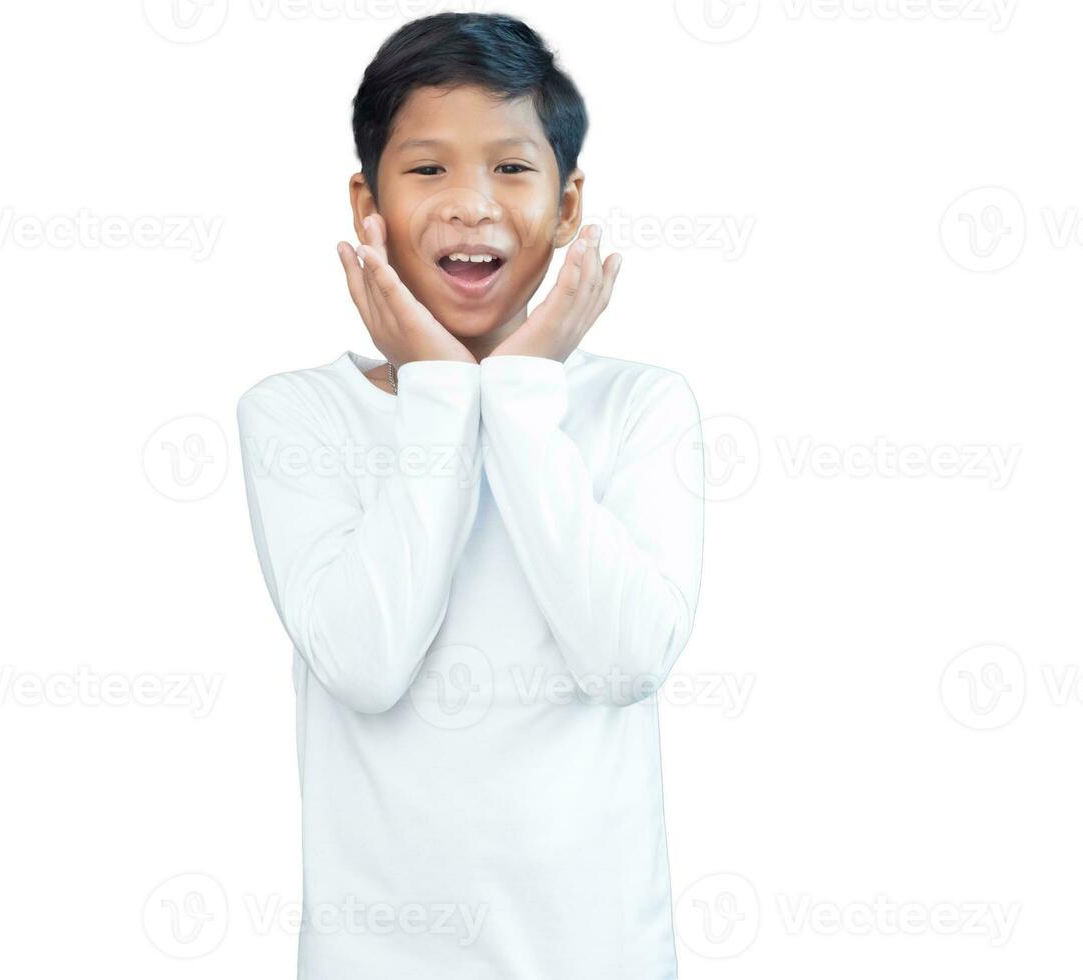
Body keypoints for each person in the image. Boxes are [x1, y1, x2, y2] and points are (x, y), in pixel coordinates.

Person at [235, 12, 705, 978]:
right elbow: (366, 665)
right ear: (365, 201)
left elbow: (625, 659)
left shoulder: (639, 406)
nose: (470, 206)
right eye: (426, 170)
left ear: (569, 207)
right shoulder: (294, 416)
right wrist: (444, 393)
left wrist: (521, 396)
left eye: (510, 167)